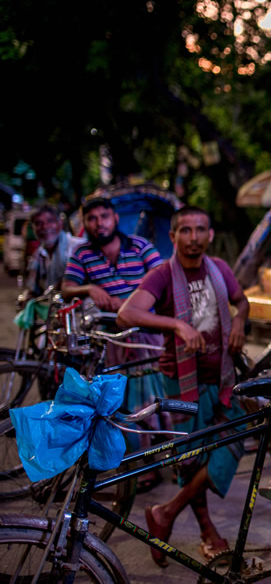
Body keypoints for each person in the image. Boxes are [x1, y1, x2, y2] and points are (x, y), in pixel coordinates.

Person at [118, 205, 249, 566]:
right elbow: (127, 313)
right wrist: (176, 326)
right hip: (179, 384)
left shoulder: (220, 269)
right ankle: (209, 533)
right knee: (191, 460)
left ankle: (166, 513)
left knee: (234, 439)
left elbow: (241, 301)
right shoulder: (161, 275)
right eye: (185, 231)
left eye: (200, 230)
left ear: (209, 234)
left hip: (221, 379)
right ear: (172, 236)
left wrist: (239, 322)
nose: (193, 238)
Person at [61, 195, 168, 490]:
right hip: (112, 339)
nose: (99, 224)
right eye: (92, 219)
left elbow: (163, 281)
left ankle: (166, 457)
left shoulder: (140, 247)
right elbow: (67, 288)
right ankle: (142, 465)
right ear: (85, 224)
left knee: (157, 398)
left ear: (115, 219)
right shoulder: (82, 255)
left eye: (104, 217)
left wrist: (131, 304)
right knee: (124, 402)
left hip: (148, 333)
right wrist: (90, 288)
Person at [24, 204, 85, 296]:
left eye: (50, 221)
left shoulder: (77, 247)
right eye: (38, 223)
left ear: (60, 224)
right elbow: (34, 288)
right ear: (33, 228)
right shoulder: (38, 254)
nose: (45, 227)